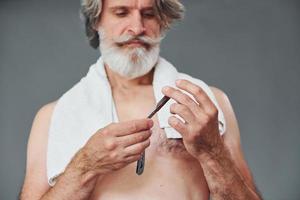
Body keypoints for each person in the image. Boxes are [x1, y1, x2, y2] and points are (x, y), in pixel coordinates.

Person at [20, 0, 262, 199]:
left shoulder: (208, 106)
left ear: (162, 21)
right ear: (96, 21)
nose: (136, 28)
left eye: (148, 14)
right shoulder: (52, 117)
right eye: (121, 12)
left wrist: (212, 152)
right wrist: (86, 164)